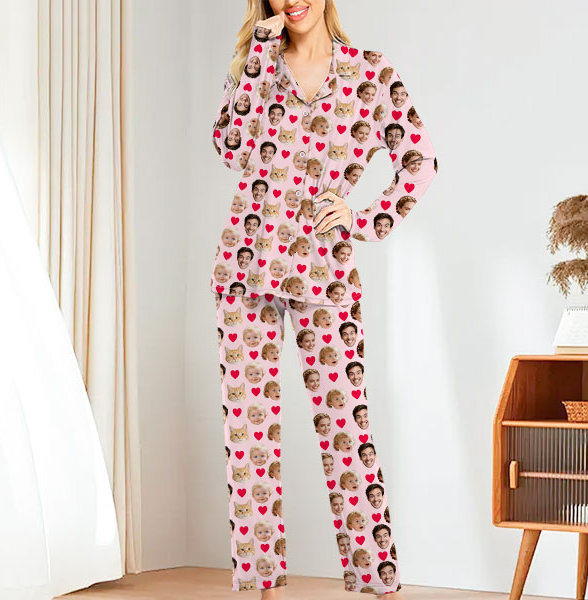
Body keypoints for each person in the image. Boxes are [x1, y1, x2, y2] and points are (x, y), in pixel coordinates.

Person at [210, 0, 438, 596]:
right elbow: (231, 149)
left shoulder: (370, 71)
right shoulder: (255, 62)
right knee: (248, 436)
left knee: (347, 429)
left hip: (324, 273)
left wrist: (365, 219)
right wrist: (258, 57)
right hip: (246, 266)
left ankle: (376, 581)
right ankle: (258, 583)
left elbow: (418, 160)